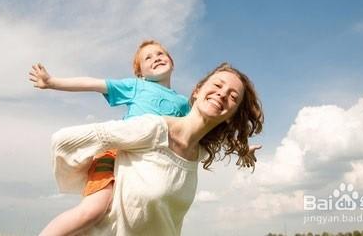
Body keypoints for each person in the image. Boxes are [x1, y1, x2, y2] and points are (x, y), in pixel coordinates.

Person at [51, 63, 264, 235]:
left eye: (233, 96)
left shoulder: (198, 153)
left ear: (231, 116)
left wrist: (244, 152)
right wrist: (105, 171)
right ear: (198, 90)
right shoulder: (152, 128)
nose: (222, 94)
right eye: (217, 85)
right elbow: (64, 141)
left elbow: (222, 146)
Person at [29, 40, 191, 235]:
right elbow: (93, 83)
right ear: (140, 73)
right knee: (93, 211)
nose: (156, 58)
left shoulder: (183, 104)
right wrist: (53, 82)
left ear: (171, 62)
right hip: (114, 155)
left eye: (160, 54)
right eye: (147, 58)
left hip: (147, 167)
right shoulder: (137, 86)